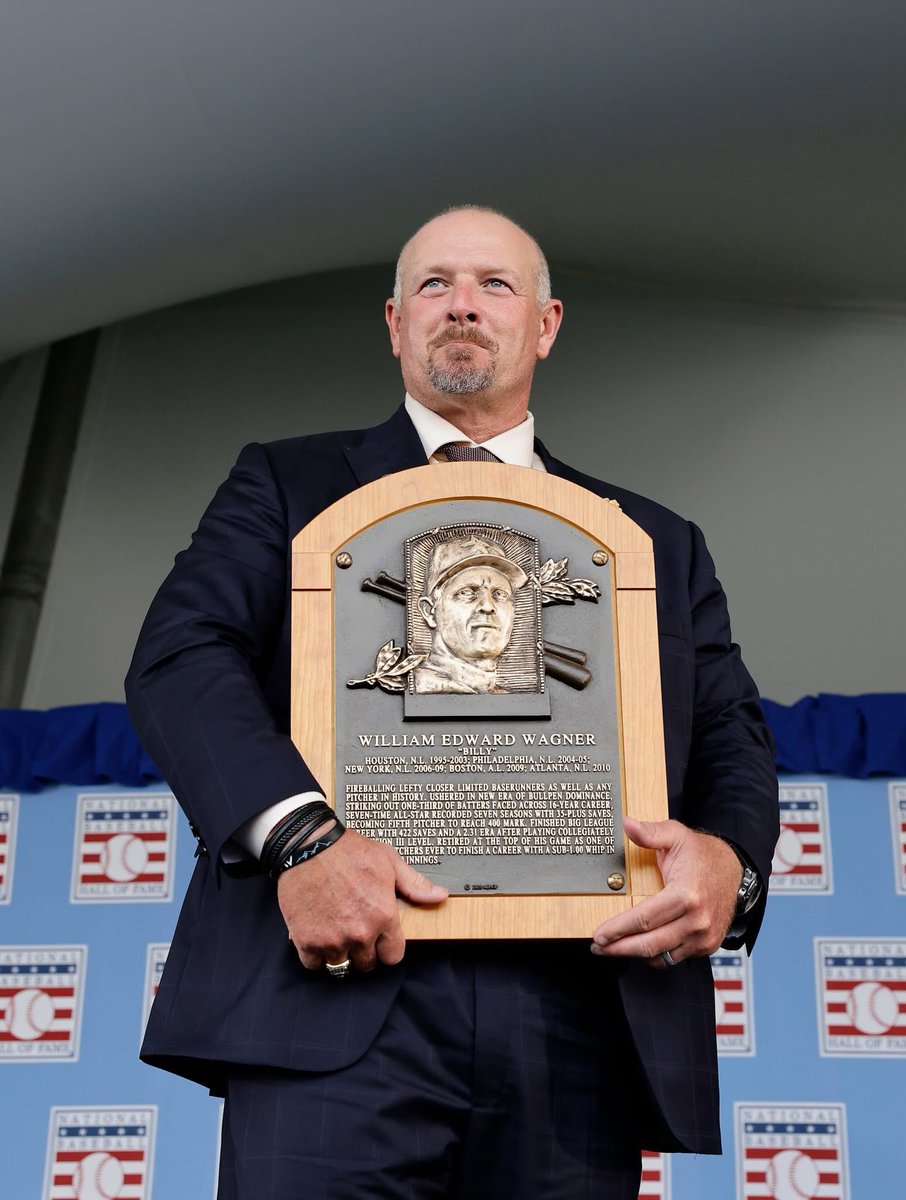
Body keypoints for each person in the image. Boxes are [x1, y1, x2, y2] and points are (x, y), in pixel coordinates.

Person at [126, 206, 778, 1200]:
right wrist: (304, 841)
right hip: (337, 1001)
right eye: (434, 284)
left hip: (580, 1023)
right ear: (395, 324)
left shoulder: (653, 539)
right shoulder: (283, 482)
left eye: (494, 284)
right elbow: (180, 657)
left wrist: (733, 864)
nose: (461, 304)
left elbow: (731, 732)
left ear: (547, 325)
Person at [414, 533, 527, 694]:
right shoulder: (421, 688)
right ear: (429, 612)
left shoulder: (501, 696)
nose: (488, 606)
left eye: (499, 594)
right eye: (466, 592)